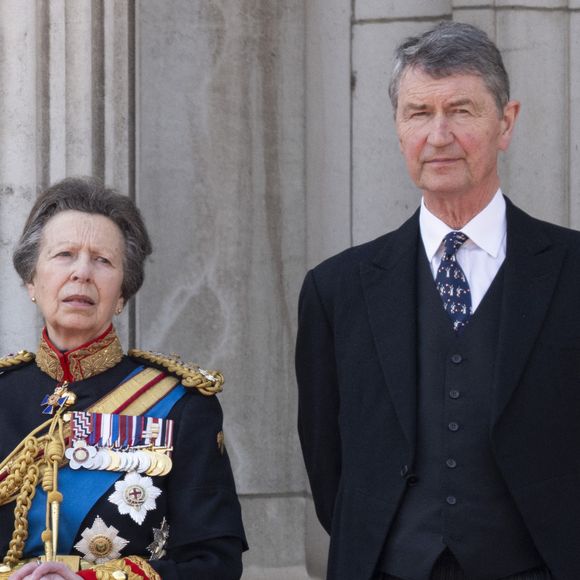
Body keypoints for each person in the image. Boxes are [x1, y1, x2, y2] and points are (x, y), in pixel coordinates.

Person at [296, 21, 580, 580]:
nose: (439, 134)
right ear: (399, 129)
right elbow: (327, 461)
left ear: (507, 123)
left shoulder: (574, 272)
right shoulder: (336, 289)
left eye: (462, 111)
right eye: (419, 113)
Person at [0, 177, 246, 579]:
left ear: (122, 296)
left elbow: (215, 565)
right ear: (31, 280)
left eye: (103, 260)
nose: (82, 272)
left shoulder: (181, 405)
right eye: (64, 254)